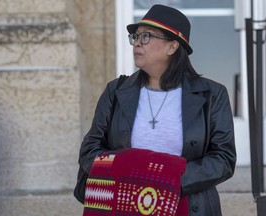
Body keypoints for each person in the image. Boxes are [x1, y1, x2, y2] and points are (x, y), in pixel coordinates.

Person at [74, 4, 236, 216]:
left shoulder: (212, 95)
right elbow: (90, 151)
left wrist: (170, 180)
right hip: (123, 205)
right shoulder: (116, 91)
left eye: (147, 36)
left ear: (172, 46)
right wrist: (129, 170)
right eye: (136, 36)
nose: (137, 43)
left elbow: (224, 159)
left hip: (186, 206)